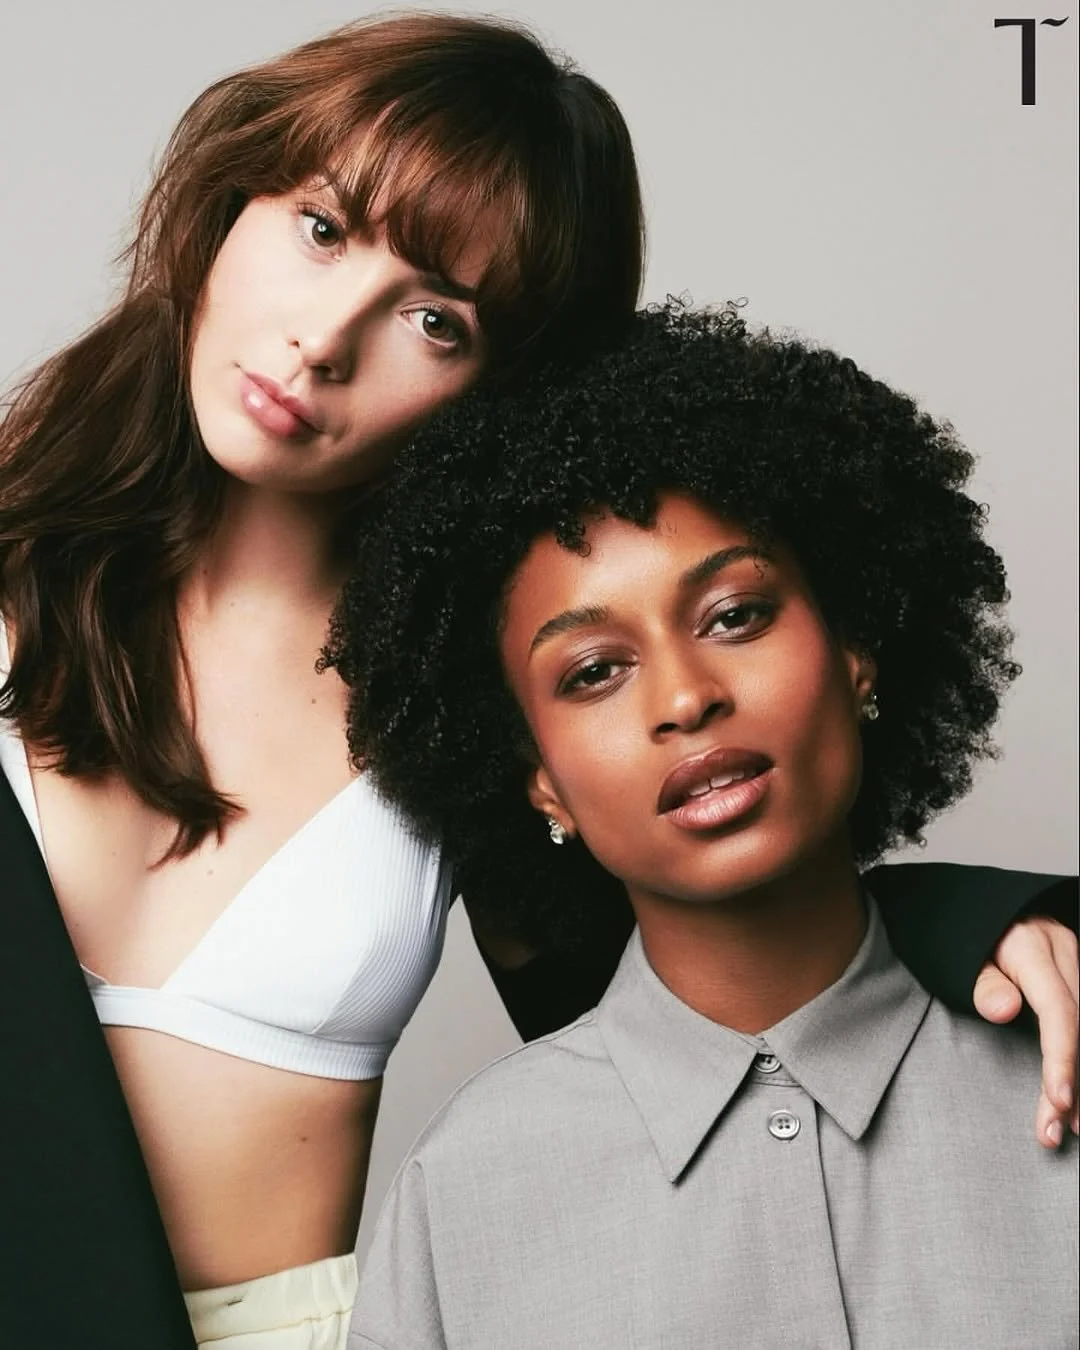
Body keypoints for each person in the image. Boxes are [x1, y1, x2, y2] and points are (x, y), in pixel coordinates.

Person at [0, 15, 1074, 1350]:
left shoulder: (472, 692)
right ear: (232, 198)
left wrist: (971, 923)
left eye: (435, 318)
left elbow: (709, 961)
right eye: (324, 229)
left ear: (497, 394)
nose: (325, 340)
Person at [332, 303, 1079, 1349]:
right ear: (539, 780)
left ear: (857, 651)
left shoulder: (1059, 1060)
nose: (683, 698)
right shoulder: (464, 1193)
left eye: (734, 615)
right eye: (593, 672)